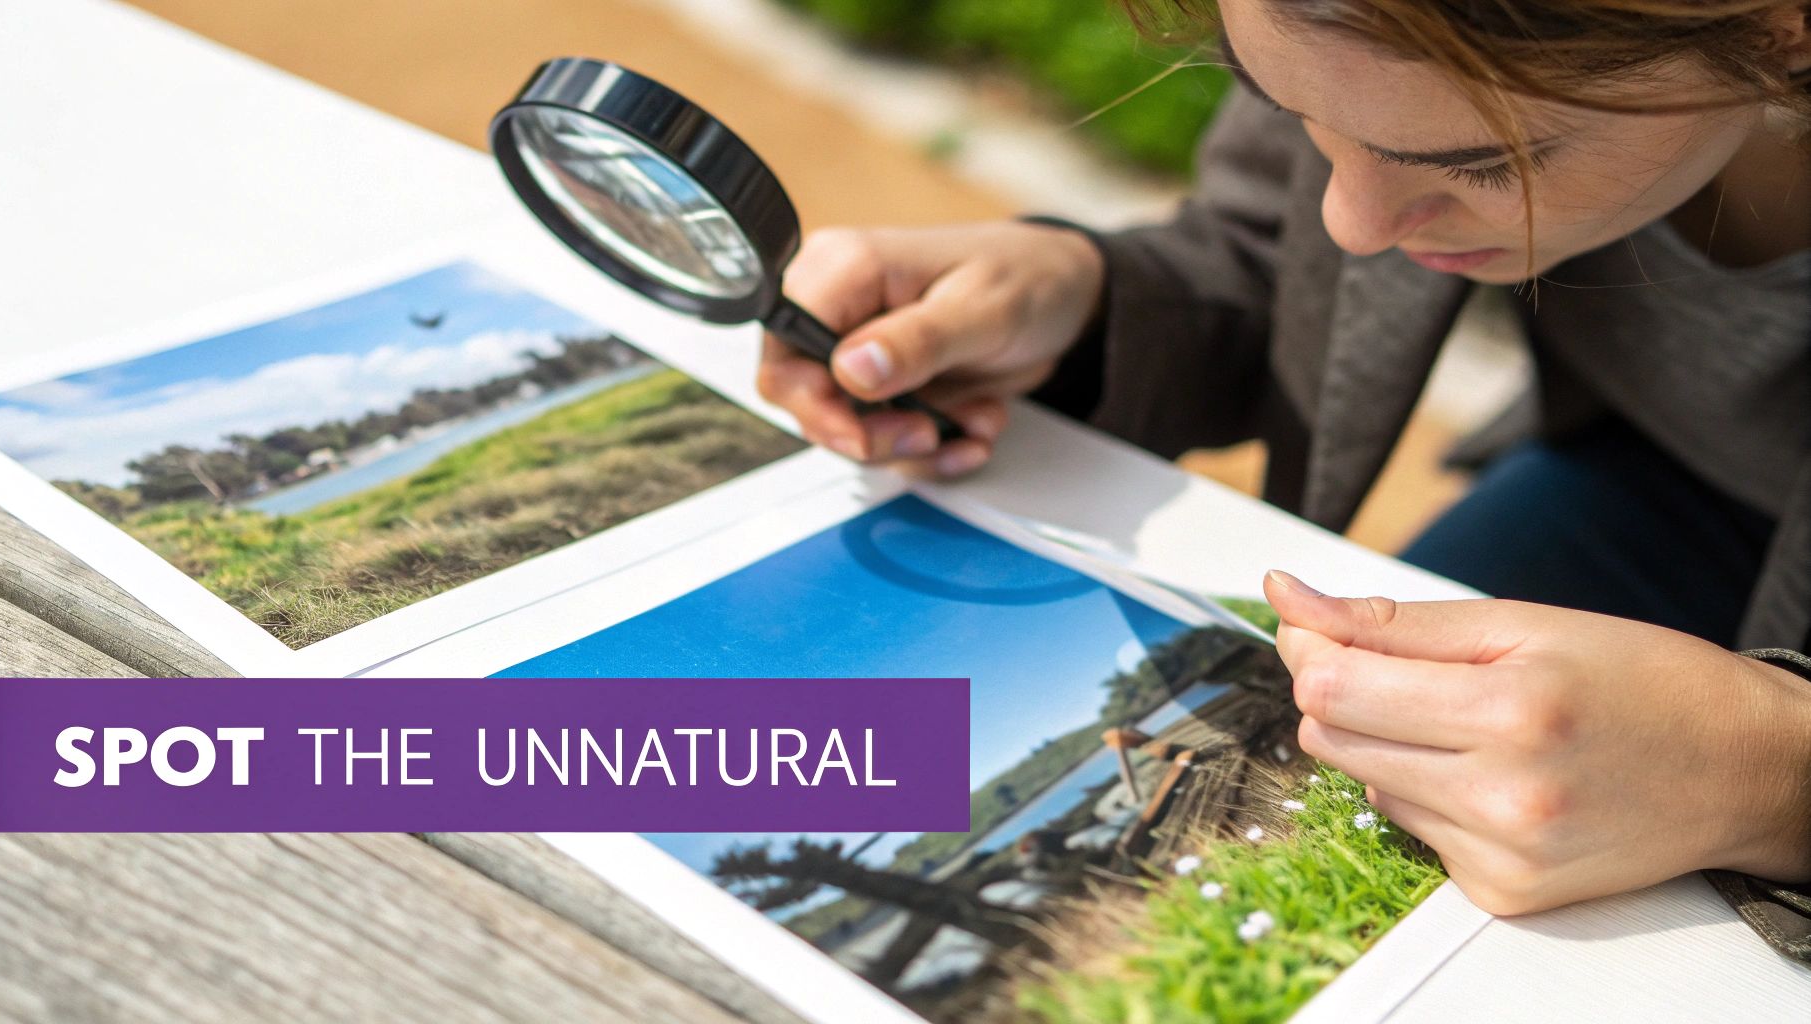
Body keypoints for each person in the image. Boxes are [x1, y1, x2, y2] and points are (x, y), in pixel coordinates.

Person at [755, 0, 1811, 960]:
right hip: (1639, 475)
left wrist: (1770, 771)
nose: (1352, 220)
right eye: (1281, 99)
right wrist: (1087, 303)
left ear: (1782, 30)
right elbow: (1272, 259)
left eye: (1479, 163)